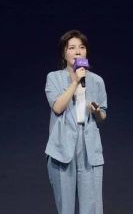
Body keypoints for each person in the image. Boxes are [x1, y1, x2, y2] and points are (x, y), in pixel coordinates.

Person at [45, 30, 108, 214]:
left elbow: (103, 115)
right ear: (64, 53)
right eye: (71, 48)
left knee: (92, 207)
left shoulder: (97, 81)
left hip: (89, 146)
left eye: (81, 47)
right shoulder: (54, 77)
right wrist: (75, 82)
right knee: (65, 207)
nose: (78, 51)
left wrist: (97, 111)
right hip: (63, 145)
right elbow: (58, 108)